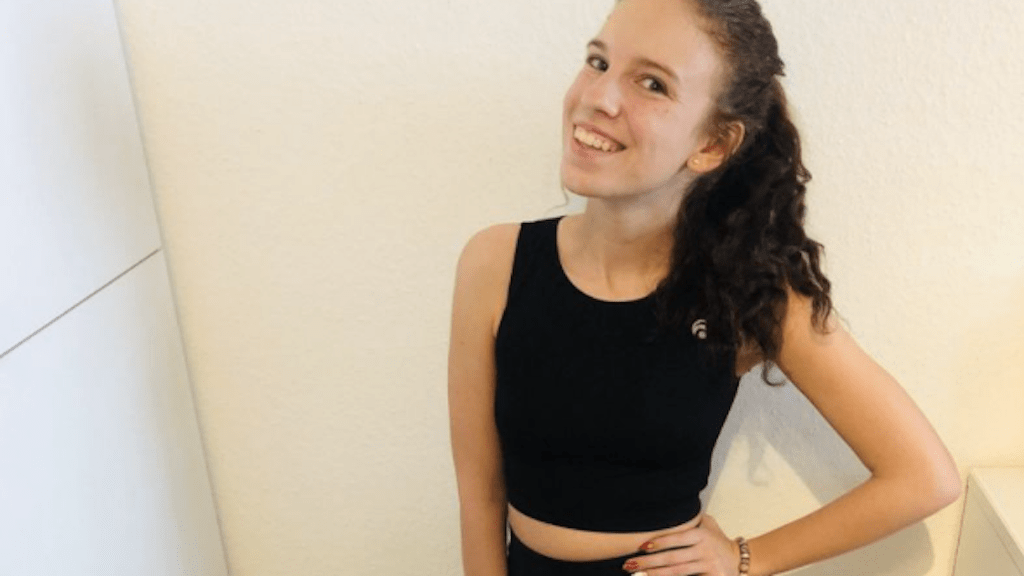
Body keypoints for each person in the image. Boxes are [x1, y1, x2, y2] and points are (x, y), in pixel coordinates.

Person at [447, 0, 961, 574]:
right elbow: (479, 496)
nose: (599, 97)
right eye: (598, 61)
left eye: (652, 83)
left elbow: (924, 476)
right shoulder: (495, 262)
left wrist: (747, 558)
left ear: (713, 144)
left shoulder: (744, 290)